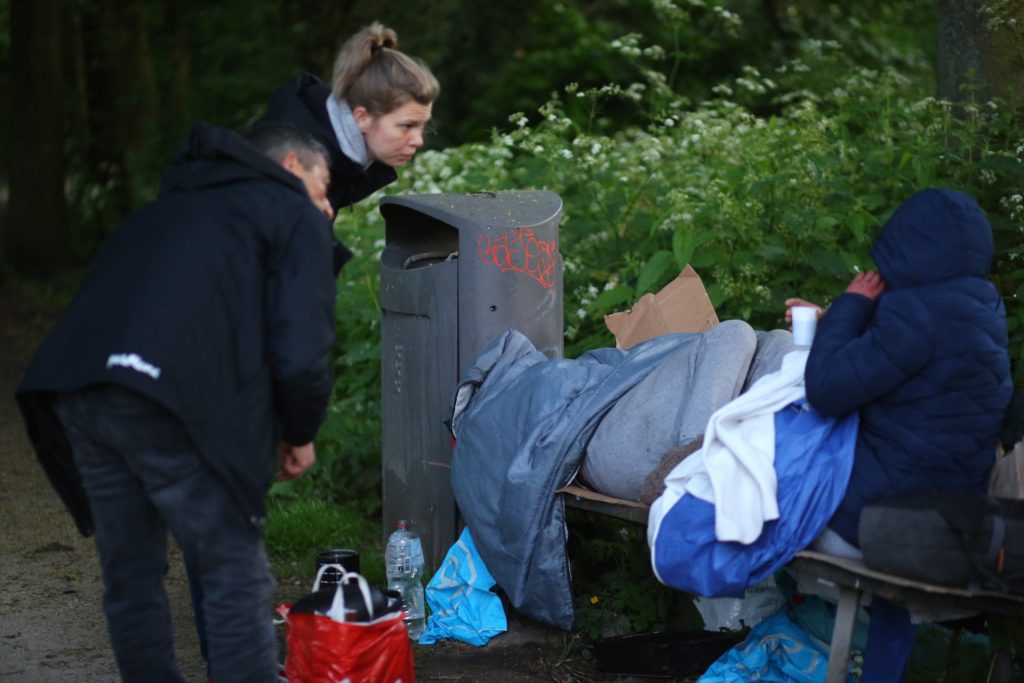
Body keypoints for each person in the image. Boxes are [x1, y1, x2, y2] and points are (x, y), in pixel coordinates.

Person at [15, 121, 339, 683]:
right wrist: (299, 430)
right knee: (232, 575)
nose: (329, 207)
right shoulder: (291, 213)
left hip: (78, 392)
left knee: (132, 576)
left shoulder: (161, 213)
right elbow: (302, 349)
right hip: (168, 401)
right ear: (291, 168)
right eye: (324, 186)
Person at [799, 188, 1013, 682]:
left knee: (780, 480)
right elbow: (916, 349)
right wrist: (843, 318)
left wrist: (850, 304)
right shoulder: (985, 308)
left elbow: (826, 389)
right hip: (950, 526)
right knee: (893, 591)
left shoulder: (913, 315)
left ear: (904, 247)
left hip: (872, 528)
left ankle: (776, 640)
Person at [262, 21, 439, 216]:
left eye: (422, 125)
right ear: (362, 118)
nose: (418, 140)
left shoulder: (334, 149)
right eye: (406, 126)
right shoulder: (300, 165)